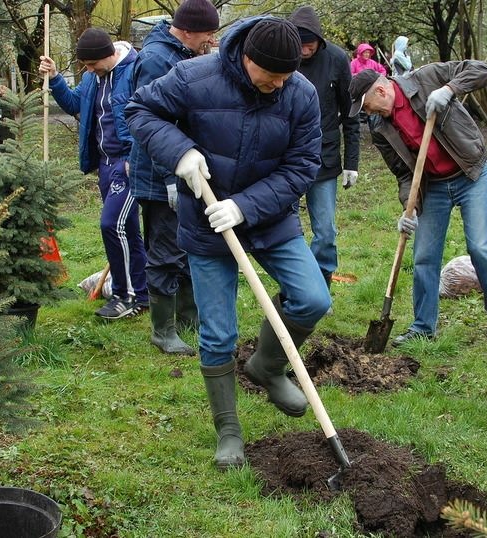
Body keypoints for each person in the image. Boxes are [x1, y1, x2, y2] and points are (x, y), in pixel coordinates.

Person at [126, 16, 330, 469]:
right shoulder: (194, 77)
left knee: (313, 299)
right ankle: (229, 431)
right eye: (271, 75)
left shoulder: (299, 93)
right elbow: (139, 110)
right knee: (218, 335)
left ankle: (267, 367)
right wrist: (179, 151)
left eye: (287, 75)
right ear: (246, 57)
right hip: (206, 221)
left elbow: (302, 165)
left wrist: (244, 206)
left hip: (271, 219)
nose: (279, 84)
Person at [347, 64, 487, 345]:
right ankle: (423, 326)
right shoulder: (380, 128)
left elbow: (481, 70)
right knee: (424, 256)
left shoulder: (425, 79)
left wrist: (449, 89)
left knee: (481, 248)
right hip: (433, 186)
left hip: (470, 173)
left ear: (381, 91)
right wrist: (408, 209)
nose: (369, 113)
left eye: (367, 106)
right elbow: (403, 173)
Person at [129, 0, 219, 355]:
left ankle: (189, 317)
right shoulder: (156, 60)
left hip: (183, 169)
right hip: (159, 176)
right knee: (165, 251)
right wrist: (169, 176)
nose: (211, 41)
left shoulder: (182, 54)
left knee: (185, 246)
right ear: (187, 30)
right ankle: (163, 330)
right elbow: (152, 124)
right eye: (207, 33)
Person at [39, 29, 149, 320]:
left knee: (112, 224)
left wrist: (134, 159)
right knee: (127, 230)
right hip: (105, 164)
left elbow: (148, 117)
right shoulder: (92, 77)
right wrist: (55, 78)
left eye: (92, 64)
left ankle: (126, 296)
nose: (89, 70)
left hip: (128, 163)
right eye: (85, 66)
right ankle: (142, 292)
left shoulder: (135, 70)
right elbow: (74, 104)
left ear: (109, 55)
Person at [288, 5, 360, 292]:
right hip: (287, 158)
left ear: (319, 40)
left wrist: (352, 163)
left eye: (309, 45)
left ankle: (321, 286)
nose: (304, 50)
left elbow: (351, 113)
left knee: (325, 231)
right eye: (300, 45)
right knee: (286, 231)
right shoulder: (283, 55)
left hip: (324, 158)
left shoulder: (337, 59)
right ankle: (296, 288)